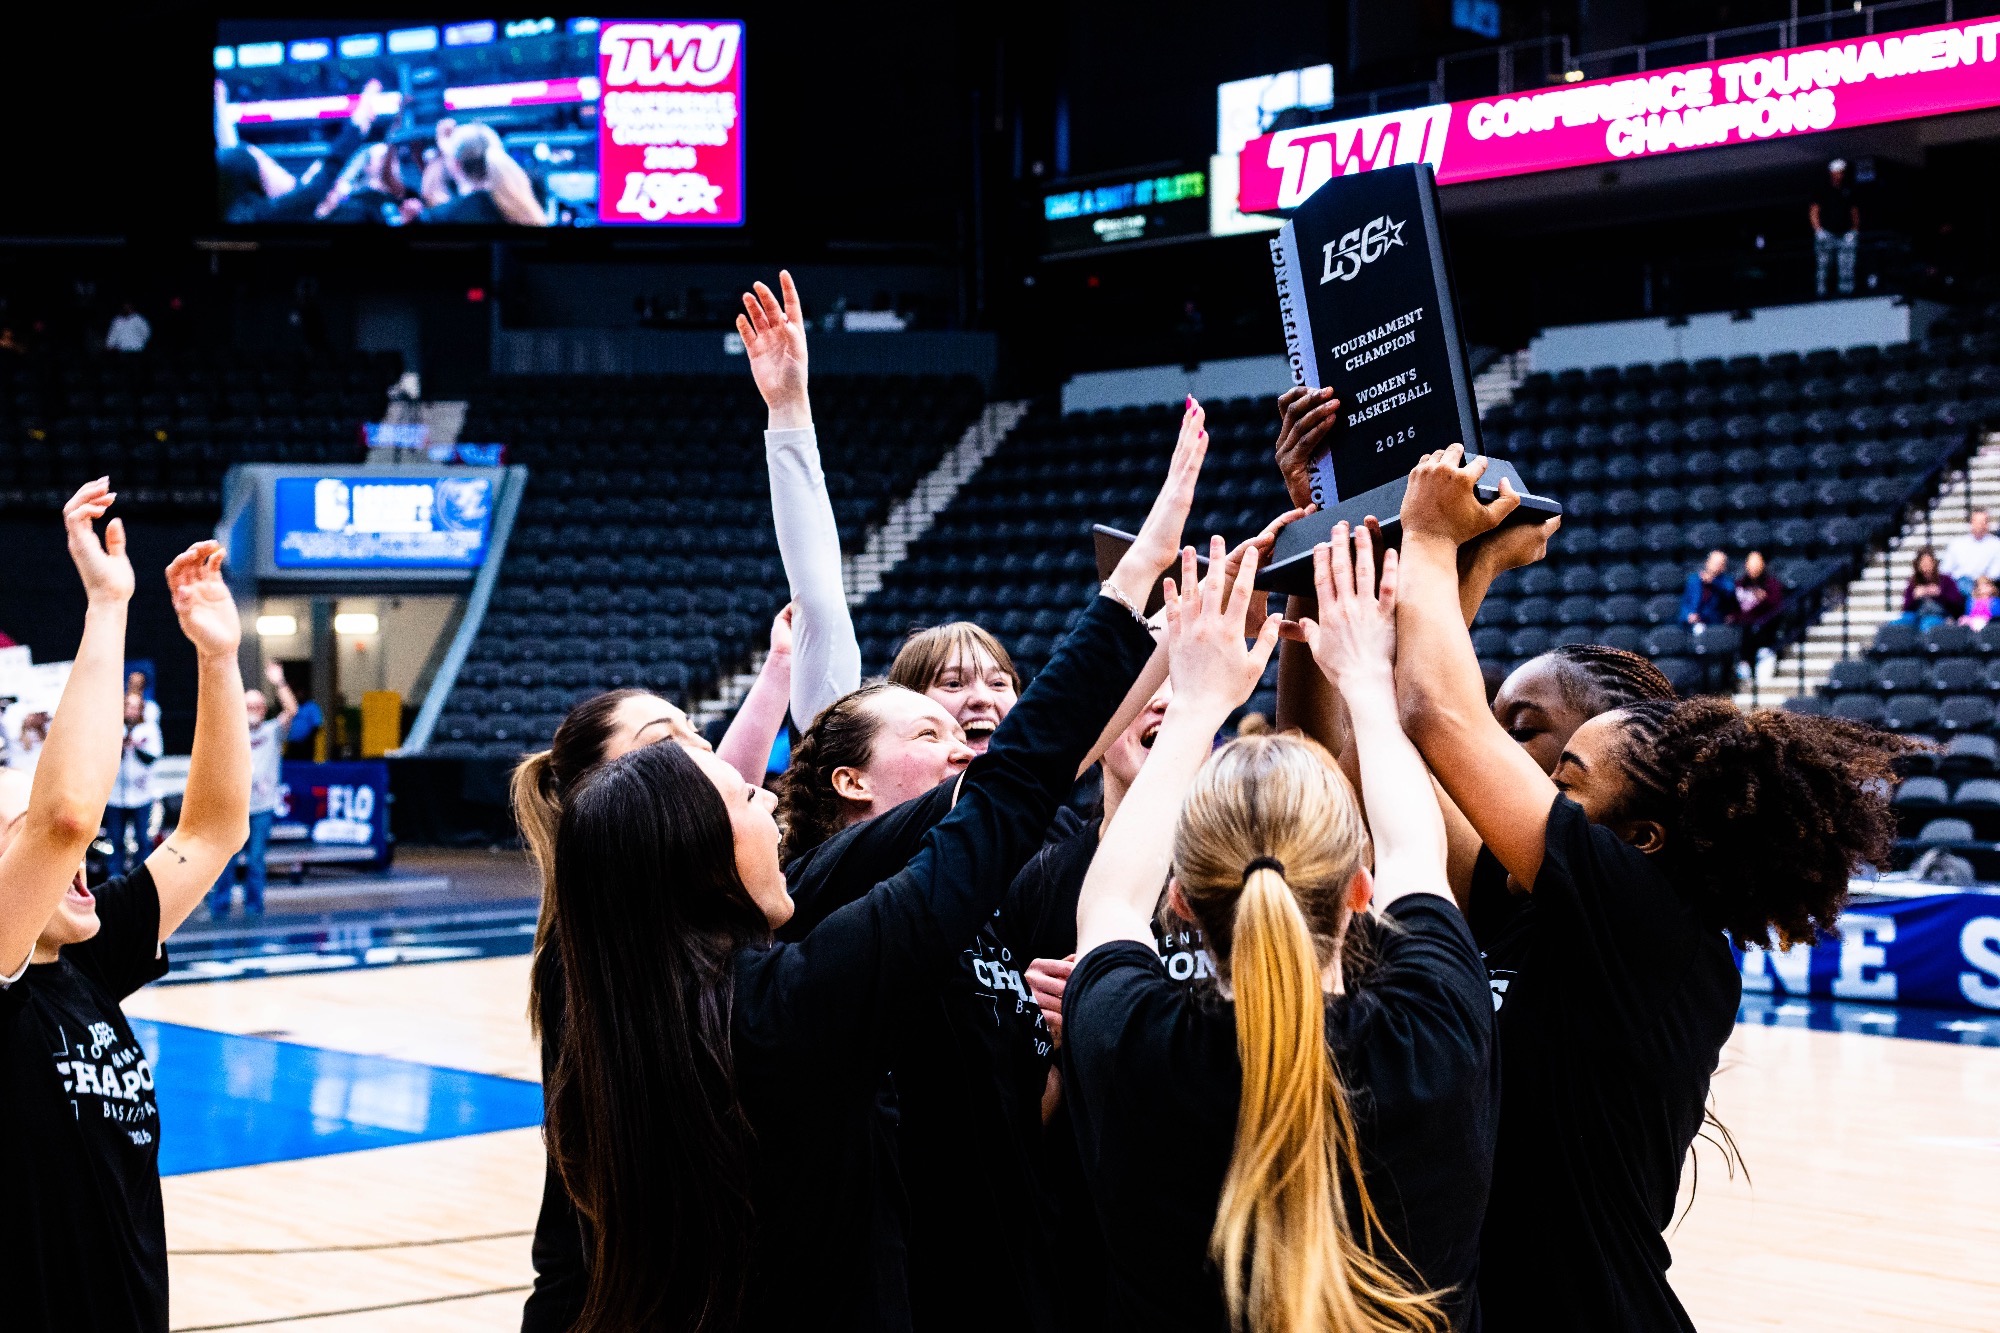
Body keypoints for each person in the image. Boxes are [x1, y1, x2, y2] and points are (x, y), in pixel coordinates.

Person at [536, 456, 1181, 1333]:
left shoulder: (638, 1014)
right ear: (696, 859)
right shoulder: (785, 1005)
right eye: (740, 798)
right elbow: (1002, 795)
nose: (761, 796)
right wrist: (1140, 598)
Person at [1391, 445, 1917, 1333]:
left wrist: (1431, 541)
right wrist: (1465, 561)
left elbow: (1434, 713)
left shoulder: (1653, 926)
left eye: (1566, 777)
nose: (1531, 784)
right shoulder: (1537, 911)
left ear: (1641, 839)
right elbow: (1409, 760)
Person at [1064, 530, 1496, 1333]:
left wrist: (1194, 704)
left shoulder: (1133, 1039)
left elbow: (1111, 905)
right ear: (1360, 889)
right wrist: (1366, 679)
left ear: (1184, 901)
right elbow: (1415, 849)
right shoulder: (1436, 1030)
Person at [0, 486, 253, 1333]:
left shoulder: (86, 958)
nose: (84, 853)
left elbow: (213, 829)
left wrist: (218, 661)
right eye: (24, 836)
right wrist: (108, 606)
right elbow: (67, 811)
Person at [207, 663, 296, 919]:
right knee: (227, 861)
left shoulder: (272, 732)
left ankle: (253, 909)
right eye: (248, 706)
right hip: (234, 808)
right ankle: (219, 907)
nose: (253, 711)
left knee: (256, 860)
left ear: (264, 710)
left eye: (257, 706)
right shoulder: (230, 732)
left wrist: (279, 683)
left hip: (262, 807)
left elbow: (291, 710)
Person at [103, 693, 162, 877]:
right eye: (128, 706)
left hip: (141, 794)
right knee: (115, 839)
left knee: (143, 840)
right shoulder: (113, 728)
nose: (131, 711)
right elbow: (105, 758)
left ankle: (141, 878)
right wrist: (120, 745)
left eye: (135, 707)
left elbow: (152, 758)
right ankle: (115, 878)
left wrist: (135, 746)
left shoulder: (149, 729)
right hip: (116, 796)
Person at [1810, 157, 1860, 298]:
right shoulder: (1822, 189)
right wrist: (1818, 230)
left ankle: (1846, 291)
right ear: (1832, 173)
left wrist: (1854, 230)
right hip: (1826, 233)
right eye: (1838, 172)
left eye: (1842, 172)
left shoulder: (1848, 190)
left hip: (1845, 234)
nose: (1840, 175)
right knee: (1824, 264)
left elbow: (1854, 211)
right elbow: (1814, 211)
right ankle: (1821, 291)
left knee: (1846, 264)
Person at [1729, 549, 1785, 672]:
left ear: (1763, 565)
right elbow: (1733, 608)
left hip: (1765, 632)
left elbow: (1778, 608)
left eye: (1756, 565)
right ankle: (1742, 665)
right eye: (1750, 565)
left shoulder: (1772, 584)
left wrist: (1764, 599)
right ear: (1746, 566)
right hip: (1743, 632)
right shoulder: (1739, 584)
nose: (1753, 568)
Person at [1897, 547, 1964, 631]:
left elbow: (1958, 604)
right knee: (1900, 623)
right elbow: (1905, 608)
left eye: (1929, 562)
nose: (1926, 565)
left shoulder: (1946, 580)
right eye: (1923, 562)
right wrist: (1914, 596)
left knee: (1927, 623)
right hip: (1917, 614)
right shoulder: (1913, 582)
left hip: (1939, 615)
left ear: (1934, 563)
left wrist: (1940, 594)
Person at [1940, 508, 2000, 599]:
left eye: (1983, 522)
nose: (1980, 525)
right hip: (1960, 584)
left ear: (1988, 524)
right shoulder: (1957, 544)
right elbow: (1945, 570)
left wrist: (1983, 583)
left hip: (1986, 583)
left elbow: (1996, 571)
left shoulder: (1996, 544)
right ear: (1971, 523)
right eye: (1977, 522)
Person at [1679, 548, 1734, 626]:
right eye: (1715, 563)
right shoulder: (1693, 580)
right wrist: (1688, 615)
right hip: (1695, 622)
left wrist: (1714, 582)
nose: (1717, 566)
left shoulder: (1726, 581)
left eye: (1720, 564)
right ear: (1707, 563)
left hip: (1716, 623)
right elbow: (1685, 603)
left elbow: (1729, 592)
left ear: (1724, 567)